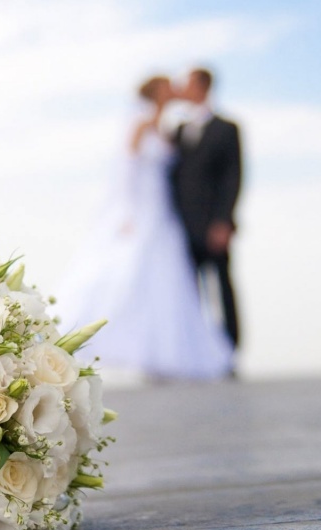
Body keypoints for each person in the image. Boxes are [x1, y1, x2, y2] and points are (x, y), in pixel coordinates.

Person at [54, 75, 233, 381]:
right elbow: (125, 170)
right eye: (167, 88)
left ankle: (163, 355)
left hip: (165, 212)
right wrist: (127, 212)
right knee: (129, 275)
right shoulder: (139, 124)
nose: (174, 91)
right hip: (142, 210)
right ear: (154, 94)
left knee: (167, 282)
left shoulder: (168, 128)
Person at [163, 68, 243, 351]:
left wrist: (224, 221)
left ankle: (231, 350)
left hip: (213, 225)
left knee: (222, 287)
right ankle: (195, 352)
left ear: (203, 87)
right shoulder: (179, 131)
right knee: (187, 291)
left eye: (188, 84)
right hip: (181, 226)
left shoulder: (227, 128)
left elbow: (233, 177)